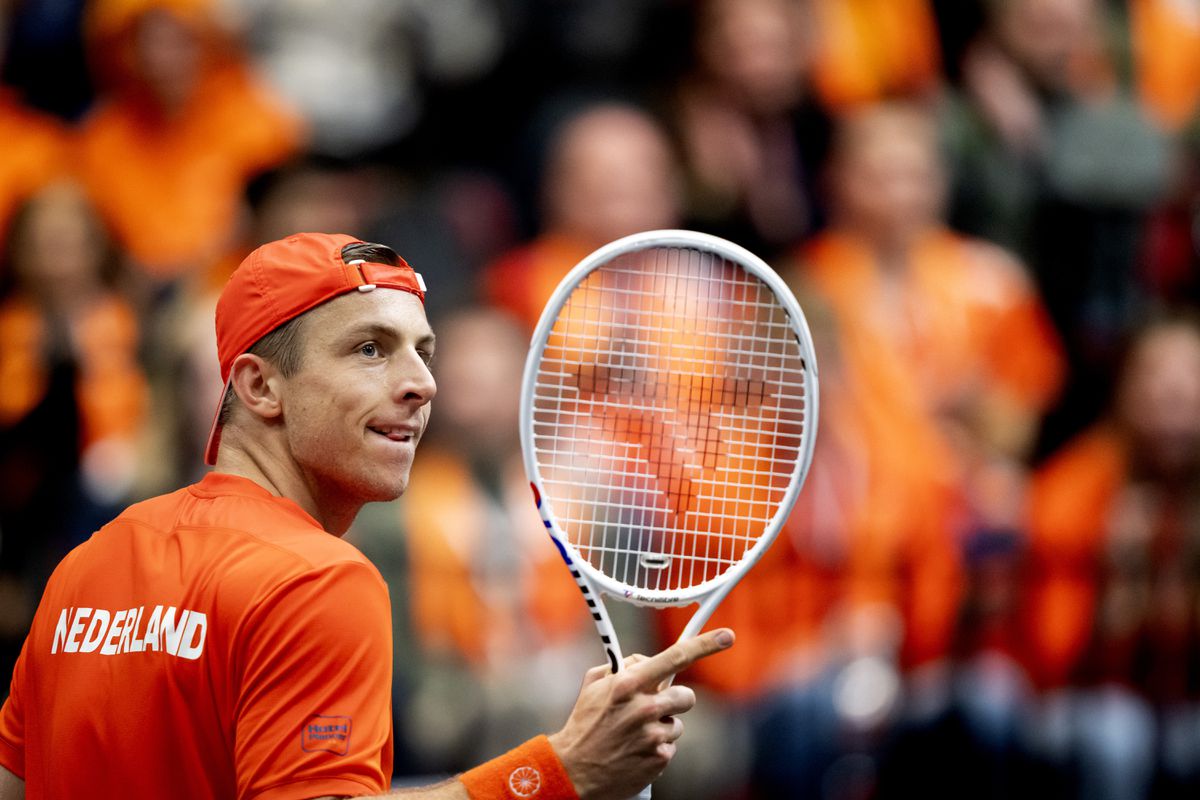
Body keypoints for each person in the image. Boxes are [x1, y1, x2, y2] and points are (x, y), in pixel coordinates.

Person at [0, 231, 734, 800]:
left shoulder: (86, 566)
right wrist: (560, 770)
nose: (421, 384)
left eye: (424, 352)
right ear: (260, 388)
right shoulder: (315, 579)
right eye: (370, 349)